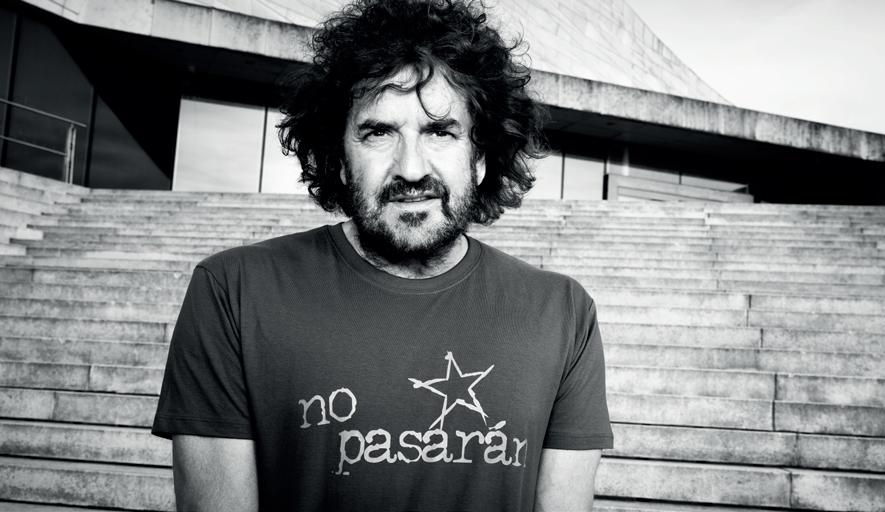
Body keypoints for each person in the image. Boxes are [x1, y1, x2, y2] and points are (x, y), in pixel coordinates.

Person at [151, 0, 613, 510]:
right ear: (339, 159)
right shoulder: (233, 292)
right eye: (378, 132)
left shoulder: (563, 312)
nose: (411, 168)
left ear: (480, 157)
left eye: (440, 131)